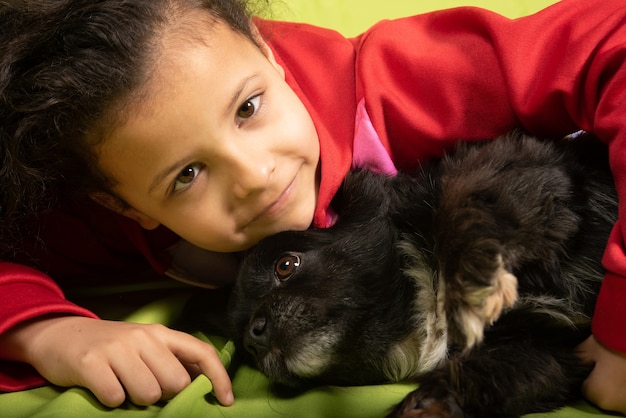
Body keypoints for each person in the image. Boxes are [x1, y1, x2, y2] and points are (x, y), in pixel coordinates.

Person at [0, 0, 624, 414]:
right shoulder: (105, 206)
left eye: (248, 108)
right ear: (125, 205)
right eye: (187, 175)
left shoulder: (402, 81)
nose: (254, 176)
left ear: (267, 53)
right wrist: (50, 331)